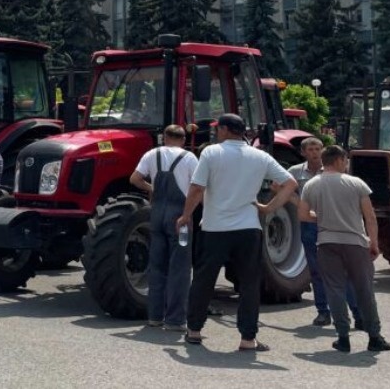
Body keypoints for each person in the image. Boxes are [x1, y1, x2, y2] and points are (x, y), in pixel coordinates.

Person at [176, 113, 297, 352]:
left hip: (215, 228)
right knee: (249, 284)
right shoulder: (260, 156)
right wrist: (269, 207)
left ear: (223, 129)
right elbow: (290, 183)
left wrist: (186, 215)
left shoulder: (211, 153)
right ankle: (247, 339)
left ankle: (194, 331)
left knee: (204, 280)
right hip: (248, 228)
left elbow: (198, 188)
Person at [298, 145, 390, 353]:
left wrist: (322, 218)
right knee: (364, 290)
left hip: (326, 243)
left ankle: (343, 337)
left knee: (334, 289)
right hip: (355, 243)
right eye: (346, 160)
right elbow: (370, 217)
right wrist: (374, 243)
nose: (347, 164)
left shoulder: (311, 185)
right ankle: (374, 336)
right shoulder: (356, 183)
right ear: (340, 160)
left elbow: (303, 215)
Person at [128, 124, 198, 331]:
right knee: (180, 268)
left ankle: (155, 317)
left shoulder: (152, 154)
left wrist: (152, 187)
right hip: (179, 216)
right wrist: (189, 214)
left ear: (165, 138)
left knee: (157, 266)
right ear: (183, 140)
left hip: (156, 213)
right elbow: (196, 187)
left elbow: (135, 179)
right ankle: (175, 319)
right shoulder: (189, 158)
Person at [288, 137, 360, 327]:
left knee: (343, 270)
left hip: (333, 224)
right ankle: (323, 312)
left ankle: (357, 313)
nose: (315, 152)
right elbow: (278, 187)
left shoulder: (334, 170)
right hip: (310, 226)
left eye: (318, 148)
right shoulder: (295, 172)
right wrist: (300, 205)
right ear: (303, 152)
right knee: (317, 270)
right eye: (310, 149)